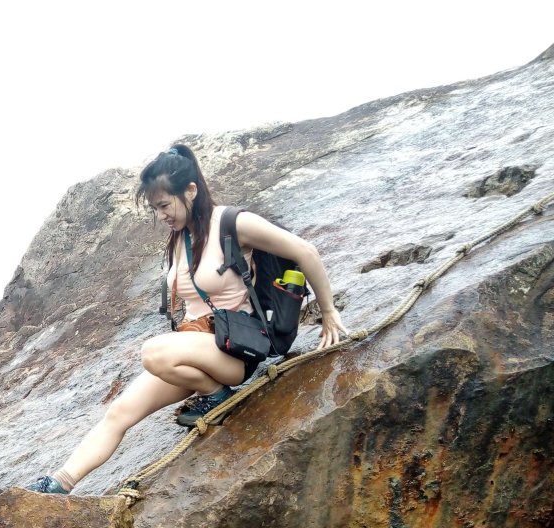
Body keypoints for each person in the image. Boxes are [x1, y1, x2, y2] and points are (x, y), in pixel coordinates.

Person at [25, 143, 348, 495]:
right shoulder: (179, 239)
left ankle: (216, 394)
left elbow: (305, 250)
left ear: (190, 191)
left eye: (164, 204)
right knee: (121, 411)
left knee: (154, 353)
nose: (161, 214)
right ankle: (59, 482)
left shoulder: (232, 223)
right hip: (194, 350)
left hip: (233, 351)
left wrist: (328, 314)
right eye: (155, 208)